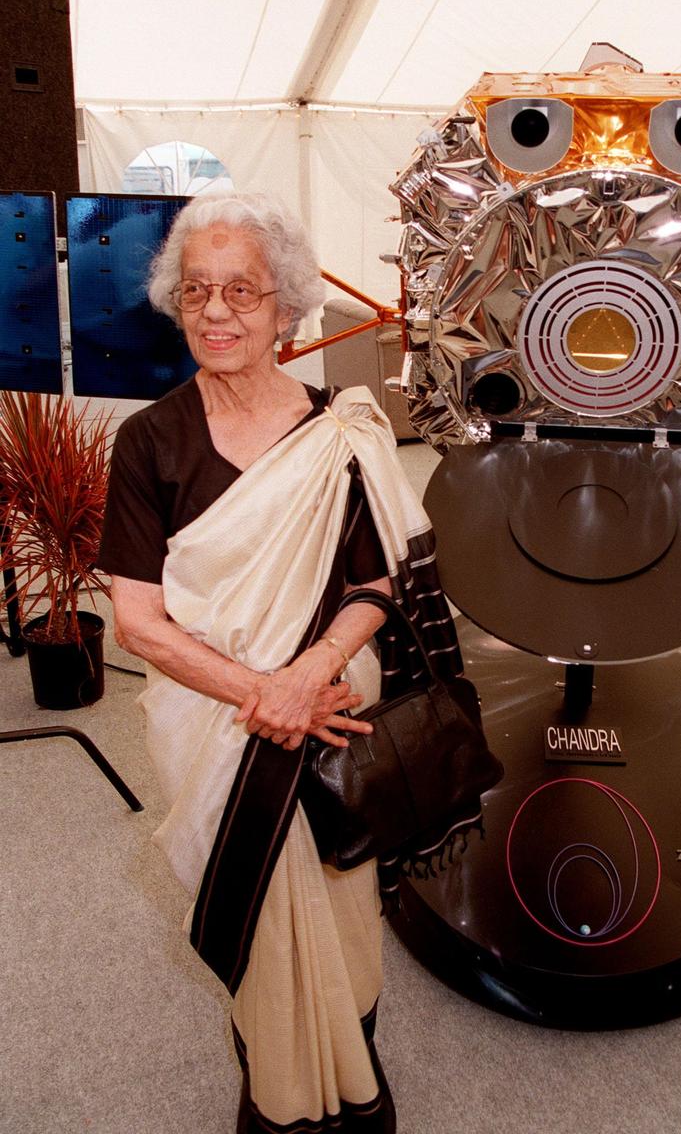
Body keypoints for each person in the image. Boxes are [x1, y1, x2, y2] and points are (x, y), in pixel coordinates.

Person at [97, 192, 462, 1133]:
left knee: (340, 899)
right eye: (197, 292)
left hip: (333, 703)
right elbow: (136, 621)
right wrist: (263, 691)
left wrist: (307, 678)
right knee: (259, 912)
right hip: (213, 716)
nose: (217, 313)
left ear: (285, 309)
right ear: (177, 304)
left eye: (242, 293)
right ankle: (280, 1096)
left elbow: (377, 583)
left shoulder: (340, 431)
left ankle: (354, 1071)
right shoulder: (147, 443)